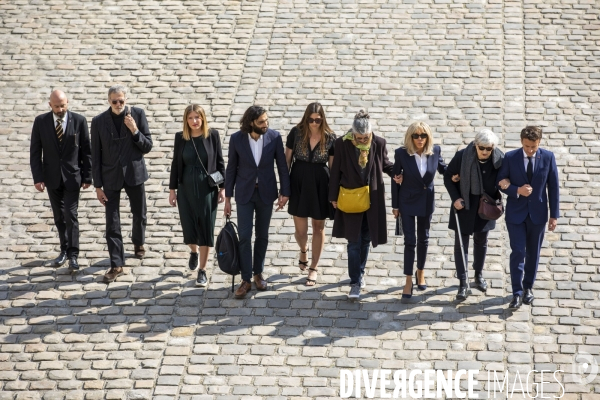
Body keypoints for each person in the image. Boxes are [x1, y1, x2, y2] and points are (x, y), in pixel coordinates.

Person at [224, 106, 291, 298]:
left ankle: (257, 273)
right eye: (261, 122)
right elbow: (231, 169)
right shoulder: (237, 139)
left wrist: (285, 192)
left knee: (262, 235)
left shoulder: (274, 137)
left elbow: (282, 166)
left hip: (266, 193)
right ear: (251, 122)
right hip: (244, 194)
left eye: (266, 121)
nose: (265, 125)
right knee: (244, 236)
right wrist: (227, 198)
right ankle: (245, 279)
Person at [329, 110, 394, 300]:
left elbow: (385, 164)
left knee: (365, 239)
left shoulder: (378, 143)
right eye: (359, 137)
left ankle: (360, 271)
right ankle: (354, 282)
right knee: (353, 242)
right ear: (353, 133)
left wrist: (397, 172)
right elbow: (335, 173)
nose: (363, 140)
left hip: (372, 200)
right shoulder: (341, 144)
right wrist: (333, 196)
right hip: (350, 198)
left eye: (366, 137)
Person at [91, 85, 153, 283]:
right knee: (112, 222)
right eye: (114, 101)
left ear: (126, 100)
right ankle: (117, 263)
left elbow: (147, 146)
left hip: (134, 173)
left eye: (121, 101)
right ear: (109, 101)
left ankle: (138, 242)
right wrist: (98, 186)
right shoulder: (99, 121)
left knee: (140, 213)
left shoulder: (138, 114)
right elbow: (96, 154)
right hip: (110, 177)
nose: (118, 105)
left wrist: (134, 130)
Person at [497, 126, 559, 309]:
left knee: (533, 253)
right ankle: (516, 292)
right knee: (518, 252)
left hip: (538, 215)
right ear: (521, 141)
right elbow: (500, 182)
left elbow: (553, 187)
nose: (530, 150)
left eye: (533, 146)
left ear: (539, 143)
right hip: (516, 214)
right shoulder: (510, 157)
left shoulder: (548, 157)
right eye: (526, 146)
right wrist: (517, 190)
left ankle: (528, 287)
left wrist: (554, 215)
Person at [30, 90, 92, 271]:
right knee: (59, 216)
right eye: (56, 106)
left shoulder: (79, 121)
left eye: (63, 105)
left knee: (70, 215)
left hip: (73, 177)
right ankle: (63, 249)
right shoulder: (41, 122)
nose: (60, 109)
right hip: (52, 178)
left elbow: (86, 151)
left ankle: (73, 255)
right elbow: (35, 152)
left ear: (68, 102)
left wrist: (87, 176)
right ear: (50, 105)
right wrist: (38, 178)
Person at [443, 129, 504, 300]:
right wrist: (455, 198)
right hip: (465, 206)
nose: (485, 152)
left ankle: (478, 275)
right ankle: (463, 282)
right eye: (482, 148)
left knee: (481, 242)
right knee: (461, 245)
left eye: (489, 149)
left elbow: (507, 175)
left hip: (486, 206)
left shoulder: (499, 159)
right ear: (476, 145)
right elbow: (448, 177)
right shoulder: (462, 156)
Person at [169, 105, 225, 287]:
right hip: (185, 188)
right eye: (191, 118)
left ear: (203, 118)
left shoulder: (212, 135)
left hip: (207, 188)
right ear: (186, 120)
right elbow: (176, 164)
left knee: (206, 228)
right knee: (189, 226)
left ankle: (202, 270)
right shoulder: (180, 138)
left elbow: (219, 162)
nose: (194, 121)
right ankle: (193, 251)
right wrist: (172, 190)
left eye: (197, 117)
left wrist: (223, 188)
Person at [391, 121, 447, 299]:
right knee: (410, 241)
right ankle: (408, 279)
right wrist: (395, 206)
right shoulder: (402, 153)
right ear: (411, 137)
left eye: (423, 135)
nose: (420, 139)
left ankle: (420, 272)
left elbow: (444, 169)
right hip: (407, 201)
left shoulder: (435, 151)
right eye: (416, 136)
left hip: (425, 202)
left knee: (424, 239)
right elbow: (395, 178)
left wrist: (457, 173)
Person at [285, 102, 336, 286]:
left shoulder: (330, 138)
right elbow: (286, 161)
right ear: (306, 118)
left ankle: (314, 267)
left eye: (318, 120)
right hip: (298, 181)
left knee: (318, 227)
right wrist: (284, 189)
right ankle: (303, 249)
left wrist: (334, 193)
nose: (314, 123)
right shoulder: (296, 133)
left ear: (322, 119)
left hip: (321, 183)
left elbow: (333, 166)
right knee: (300, 231)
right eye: (311, 120)